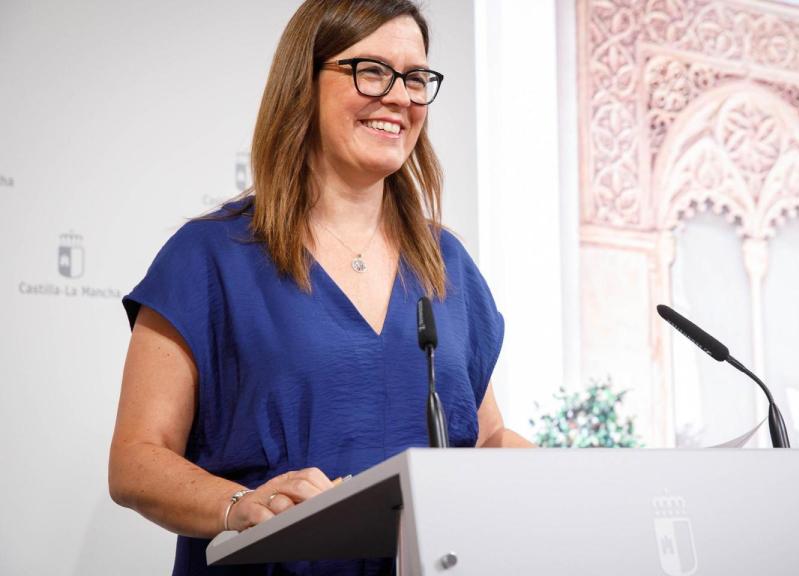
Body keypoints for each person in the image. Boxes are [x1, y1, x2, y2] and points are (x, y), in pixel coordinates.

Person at [108, 1, 532, 574]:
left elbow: (484, 441)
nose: (401, 97)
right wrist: (237, 505)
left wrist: (578, 482)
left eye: (414, 78)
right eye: (372, 70)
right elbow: (135, 461)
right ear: (302, 83)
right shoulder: (208, 258)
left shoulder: (446, 262)